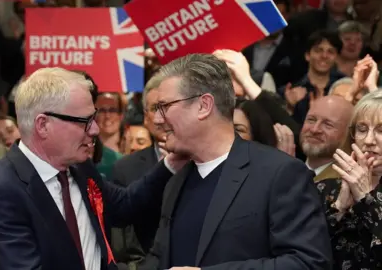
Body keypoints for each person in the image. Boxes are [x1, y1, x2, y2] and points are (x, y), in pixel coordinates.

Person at [0, 67, 187, 270]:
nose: (95, 129)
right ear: (43, 125)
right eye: (85, 121)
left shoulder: (80, 166)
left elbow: (123, 206)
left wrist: (171, 164)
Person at [141, 53, 332, 269]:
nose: (157, 120)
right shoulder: (177, 180)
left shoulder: (279, 174)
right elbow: (158, 258)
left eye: (165, 106)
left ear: (203, 106)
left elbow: (308, 263)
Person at [317, 90, 382, 269]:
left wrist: (365, 198)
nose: (368, 140)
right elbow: (305, 252)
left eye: (381, 130)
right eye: (361, 129)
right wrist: (338, 209)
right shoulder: (324, 188)